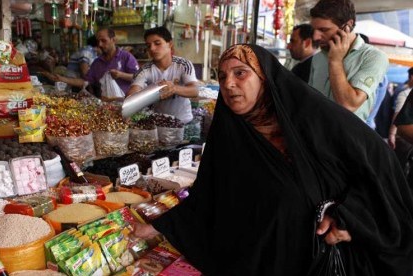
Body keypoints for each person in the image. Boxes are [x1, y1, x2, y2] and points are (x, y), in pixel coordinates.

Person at [132, 44, 413, 275]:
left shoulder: (312, 119)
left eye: (241, 73)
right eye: (222, 76)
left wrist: (349, 217)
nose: (229, 84)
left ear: (265, 77)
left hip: (319, 264)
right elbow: (210, 193)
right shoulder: (232, 133)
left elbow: (380, 169)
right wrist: (160, 225)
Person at [308, 0, 389, 122]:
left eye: (324, 30)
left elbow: (349, 104)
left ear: (348, 26)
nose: (315, 37)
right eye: (313, 30)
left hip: (348, 137)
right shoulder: (318, 58)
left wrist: (335, 61)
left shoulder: (373, 57)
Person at [126, 26, 199, 124]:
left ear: (170, 44)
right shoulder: (144, 70)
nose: (152, 48)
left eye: (157, 43)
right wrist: (130, 105)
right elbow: (134, 90)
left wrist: (174, 88)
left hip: (184, 122)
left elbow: (195, 91)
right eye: (148, 45)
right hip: (158, 123)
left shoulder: (183, 65)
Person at [47, 28, 139, 95]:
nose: (100, 44)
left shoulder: (126, 57)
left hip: (126, 103)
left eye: (104, 41)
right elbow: (85, 82)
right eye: (98, 41)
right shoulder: (97, 63)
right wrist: (62, 79)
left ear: (113, 40)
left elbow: (139, 77)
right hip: (107, 105)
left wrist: (121, 75)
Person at [387, 67, 413, 148]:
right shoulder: (404, 93)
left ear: (411, 77)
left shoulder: (404, 92)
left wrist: (392, 134)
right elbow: (401, 119)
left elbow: (398, 113)